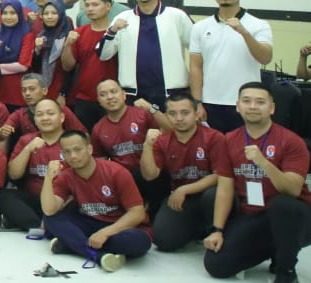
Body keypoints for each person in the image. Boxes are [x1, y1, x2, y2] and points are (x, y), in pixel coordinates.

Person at [203, 82, 311, 283]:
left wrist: (263, 162)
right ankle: (277, 248)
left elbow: (292, 189)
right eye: (247, 101)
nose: (252, 106)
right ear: (238, 106)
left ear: (272, 108)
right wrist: (217, 230)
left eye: (260, 102)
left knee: (283, 204)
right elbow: (225, 188)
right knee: (216, 265)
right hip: (255, 214)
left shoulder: (291, 141)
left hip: (296, 217)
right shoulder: (229, 140)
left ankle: (286, 270)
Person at [41, 129, 151, 272]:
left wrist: (105, 233)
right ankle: (97, 255)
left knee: (139, 243)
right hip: (90, 222)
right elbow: (49, 210)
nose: (73, 156)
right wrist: (48, 178)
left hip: (119, 226)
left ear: (90, 149)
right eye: (67, 152)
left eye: (78, 150)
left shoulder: (116, 172)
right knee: (50, 219)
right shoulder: (66, 176)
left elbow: (137, 213)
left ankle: (71, 244)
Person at [188, 0, 274, 132]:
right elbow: (196, 67)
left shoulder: (258, 24)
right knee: (213, 147)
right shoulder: (200, 27)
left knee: (244, 146)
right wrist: (197, 102)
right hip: (210, 102)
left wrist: (244, 33)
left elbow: (265, 58)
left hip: (246, 102)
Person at [97, 0, 194, 109]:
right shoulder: (123, 18)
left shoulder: (177, 16)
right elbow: (103, 55)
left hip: (172, 94)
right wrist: (112, 31)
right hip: (133, 95)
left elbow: (197, 50)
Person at [143, 93, 226, 252]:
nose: (179, 118)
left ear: (196, 114)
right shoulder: (162, 141)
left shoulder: (214, 137)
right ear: (167, 116)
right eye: (173, 114)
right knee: (163, 240)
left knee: (213, 195)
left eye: (185, 113)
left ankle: (218, 231)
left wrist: (184, 189)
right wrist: (147, 146)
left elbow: (219, 175)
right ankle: (196, 229)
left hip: (209, 194)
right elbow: (149, 175)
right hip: (183, 199)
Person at [91, 78, 169, 216]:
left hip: (155, 176)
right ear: (99, 100)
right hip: (125, 181)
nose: (110, 97)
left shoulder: (142, 114)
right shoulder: (98, 129)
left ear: (124, 94)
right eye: (103, 94)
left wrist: (152, 108)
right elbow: (100, 163)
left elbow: (169, 130)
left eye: (113, 91)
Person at [0, 98, 68, 231]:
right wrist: (28, 149)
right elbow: (14, 175)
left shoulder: (72, 140)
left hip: (62, 201)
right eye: (39, 114)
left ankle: (28, 222)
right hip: (34, 199)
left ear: (61, 117)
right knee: (3, 195)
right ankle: (38, 225)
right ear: (35, 120)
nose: (45, 118)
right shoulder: (26, 140)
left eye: (50, 113)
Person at [60, 0, 119, 129]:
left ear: (108, 6)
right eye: (87, 5)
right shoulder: (78, 33)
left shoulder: (118, 33)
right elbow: (67, 66)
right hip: (84, 97)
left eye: (95, 4)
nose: (90, 9)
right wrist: (68, 45)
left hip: (113, 97)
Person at [0, 0, 35, 107]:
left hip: (16, 90)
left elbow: (23, 66)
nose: (8, 17)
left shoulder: (27, 35)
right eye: (5, 13)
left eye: (12, 13)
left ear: (19, 14)